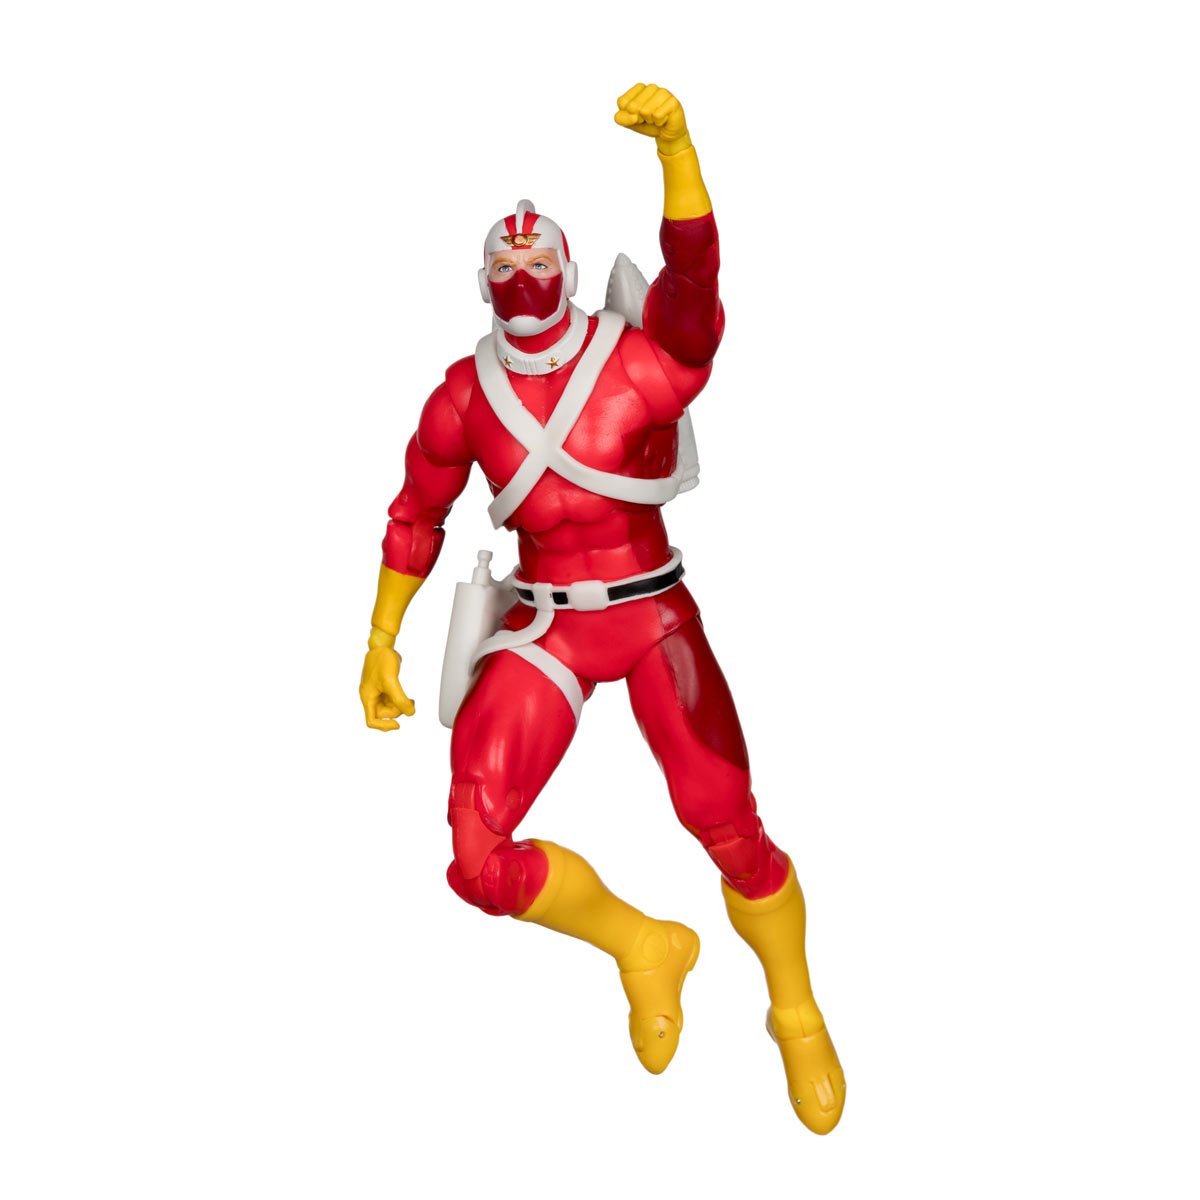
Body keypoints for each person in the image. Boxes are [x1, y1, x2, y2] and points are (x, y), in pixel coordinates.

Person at [359, 82, 845, 1132]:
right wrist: (381, 638)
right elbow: (415, 513)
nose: (522, 277)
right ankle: (644, 946)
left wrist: (678, 151)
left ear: (571, 274)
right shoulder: (462, 396)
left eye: (539, 262)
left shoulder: (633, 362)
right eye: (503, 268)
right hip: (548, 626)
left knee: (727, 823)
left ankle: (795, 1007)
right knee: (476, 857)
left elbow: (694, 289)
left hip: (652, 610)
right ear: (481, 286)